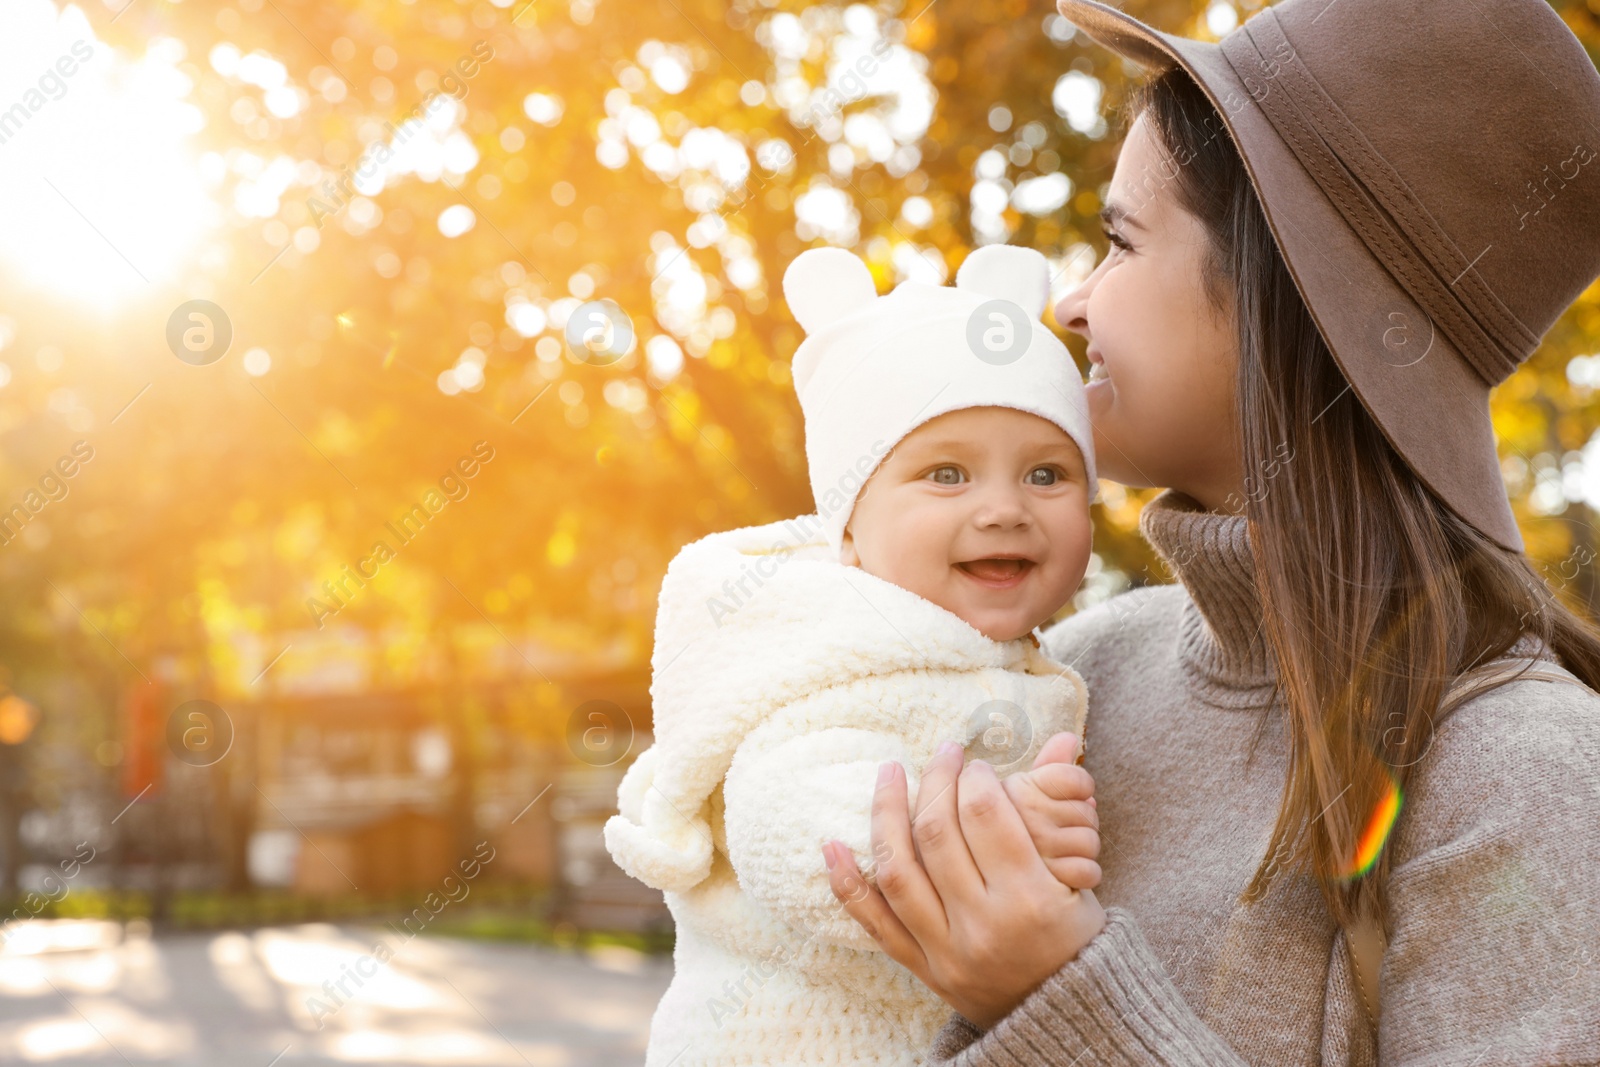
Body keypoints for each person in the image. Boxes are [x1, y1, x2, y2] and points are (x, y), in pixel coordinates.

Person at [823, 0, 1600, 1063]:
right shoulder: (1077, 672)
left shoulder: (1528, 774)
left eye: (1117, 242)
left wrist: (1056, 996)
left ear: (1277, 287)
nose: (1070, 306)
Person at [604, 244, 1105, 1065]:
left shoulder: (1015, 661)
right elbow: (797, 843)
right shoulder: (833, 656)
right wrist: (1005, 841)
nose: (1005, 508)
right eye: (947, 473)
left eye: (1048, 474)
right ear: (847, 525)